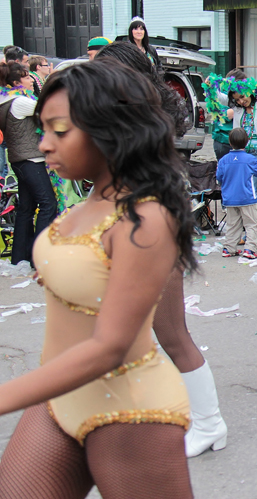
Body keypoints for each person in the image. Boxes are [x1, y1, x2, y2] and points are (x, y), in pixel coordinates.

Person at [0, 58, 195, 497]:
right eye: (42, 130)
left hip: (130, 410)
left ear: (112, 128)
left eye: (60, 131)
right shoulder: (90, 200)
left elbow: (110, 346)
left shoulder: (145, 217)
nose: (44, 144)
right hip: (59, 395)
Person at [96, 41, 227, 459]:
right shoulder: (130, 120)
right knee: (131, 333)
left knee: (170, 332)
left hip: (152, 232)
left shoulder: (144, 126)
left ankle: (209, 424)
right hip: (131, 230)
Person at [0, 61, 57, 265]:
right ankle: (38, 257)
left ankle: (20, 256)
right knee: (48, 204)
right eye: (26, 77)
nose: (31, 80)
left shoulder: (7, 100)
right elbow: (48, 110)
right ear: (16, 82)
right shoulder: (20, 103)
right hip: (30, 160)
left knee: (26, 208)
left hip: (20, 160)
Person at [217, 127, 257, 259]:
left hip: (229, 198)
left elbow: (219, 177)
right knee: (252, 224)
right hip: (247, 197)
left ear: (230, 142)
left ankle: (229, 248)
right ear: (246, 142)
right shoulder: (249, 159)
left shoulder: (224, 160)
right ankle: (250, 249)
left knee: (232, 225)